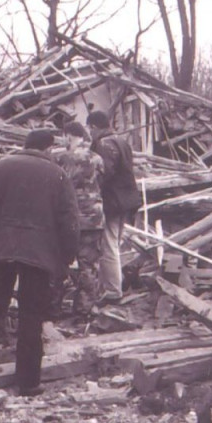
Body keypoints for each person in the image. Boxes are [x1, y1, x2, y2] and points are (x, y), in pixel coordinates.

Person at [0, 130, 80, 396]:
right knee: (31, 314)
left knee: (0, 288)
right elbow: (69, 219)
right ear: (48, 148)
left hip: (3, 245)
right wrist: (67, 256)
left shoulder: (1, 167)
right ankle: (29, 381)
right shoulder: (58, 174)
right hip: (39, 252)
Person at [87, 110, 141, 303]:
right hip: (126, 199)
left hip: (112, 200)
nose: (89, 134)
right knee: (115, 243)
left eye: (89, 129)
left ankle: (112, 290)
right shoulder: (121, 141)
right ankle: (111, 285)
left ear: (94, 127)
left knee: (107, 245)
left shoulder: (104, 144)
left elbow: (104, 172)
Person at [53, 121, 104, 316]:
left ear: (67, 135)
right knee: (89, 266)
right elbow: (102, 182)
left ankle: (53, 307)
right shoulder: (96, 158)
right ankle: (84, 311)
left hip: (66, 217)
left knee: (58, 263)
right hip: (92, 217)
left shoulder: (60, 158)